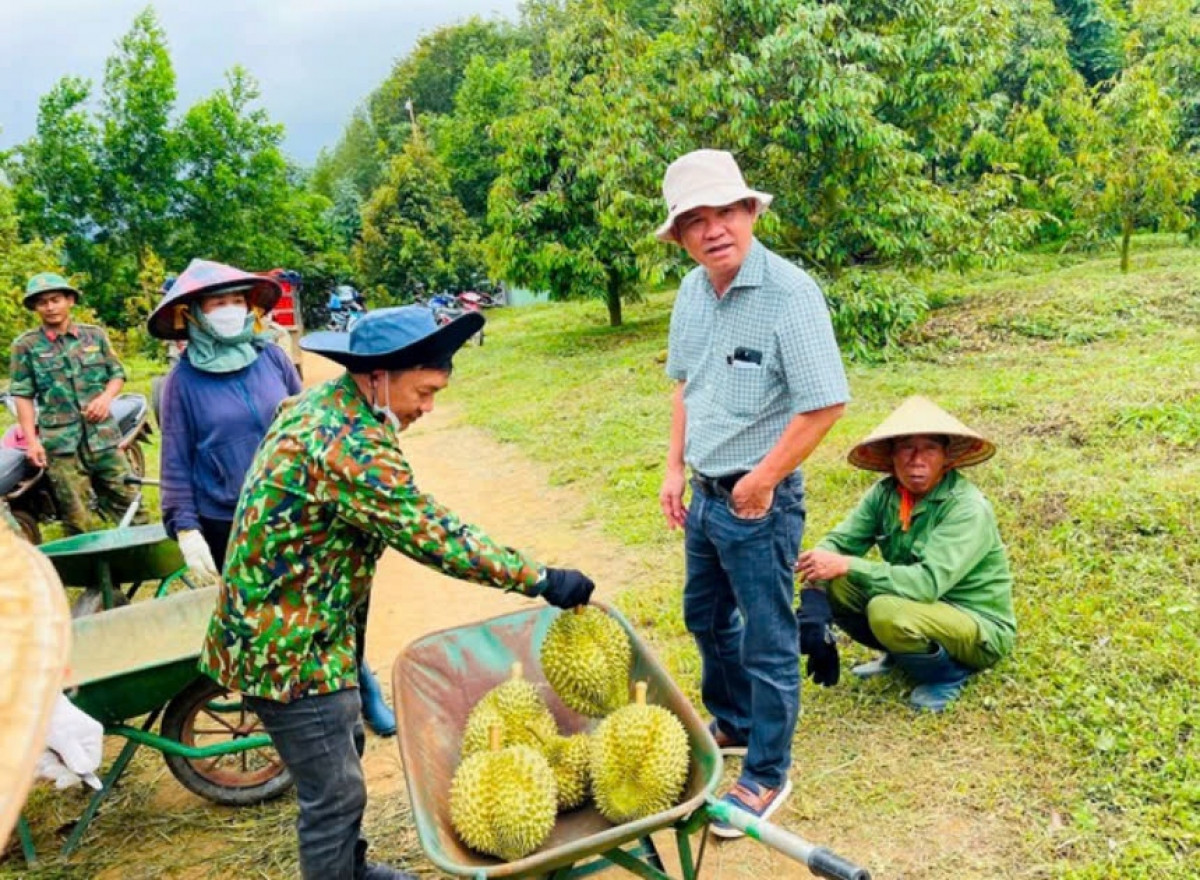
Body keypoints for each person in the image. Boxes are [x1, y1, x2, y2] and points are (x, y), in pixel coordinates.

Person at [198, 305, 597, 879]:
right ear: (378, 375)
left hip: (304, 628)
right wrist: (541, 578)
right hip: (287, 649)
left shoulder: (327, 405)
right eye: (425, 391)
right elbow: (435, 535)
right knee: (333, 795)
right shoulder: (349, 444)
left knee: (343, 759)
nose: (427, 409)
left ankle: (352, 867)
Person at [656, 149, 849, 836]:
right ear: (680, 235)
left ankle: (767, 772)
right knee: (705, 617)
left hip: (758, 500)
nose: (714, 231)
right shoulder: (690, 292)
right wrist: (674, 468)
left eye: (727, 213)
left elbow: (825, 403)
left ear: (751, 213)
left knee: (767, 639)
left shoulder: (790, 295)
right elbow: (687, 384)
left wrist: (761, 482)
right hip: (705, 495)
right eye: (695, 220)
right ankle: (735, 722)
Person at [151, 259, 396, 737]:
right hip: (231, 521)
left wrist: (362, 430)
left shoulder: (272, 358)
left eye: (236, 301)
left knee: (333, 605)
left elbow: (311, 419)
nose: (228, 310)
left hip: (299, 509)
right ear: (195, 314)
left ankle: (360, 685)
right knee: (275, 623)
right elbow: (175, 460)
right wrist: (184, 526)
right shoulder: (182, 383)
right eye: (216, 302)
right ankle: (303, 715)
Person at [795, 396, 1016, 712]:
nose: (917, 459)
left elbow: (926, 584)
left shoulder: (966, 507)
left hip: (976, 623)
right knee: (837, 581)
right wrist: (815, 602)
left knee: (886, 611)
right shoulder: (885, 494)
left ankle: (948, 675)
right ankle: (900, 655)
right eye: (906, 448)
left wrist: (846, 564)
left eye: (929, 448)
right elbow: (837, 545)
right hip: (919, 604)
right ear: (892, 456)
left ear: (946, 458)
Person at [8, 273, 144, 534]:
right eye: (42, 302)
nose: (50, 307)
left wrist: (105, 399)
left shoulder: (95, 337)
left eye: (56, 299)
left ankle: (145, 564)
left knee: (131, 504)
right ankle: (91, 574)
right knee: (76, 519)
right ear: (36, 308)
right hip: (61, 446)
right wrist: (32, 442)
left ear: (69, 300)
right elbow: (22, 395)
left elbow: (117, 374)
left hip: (103, 438)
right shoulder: (25, 346)